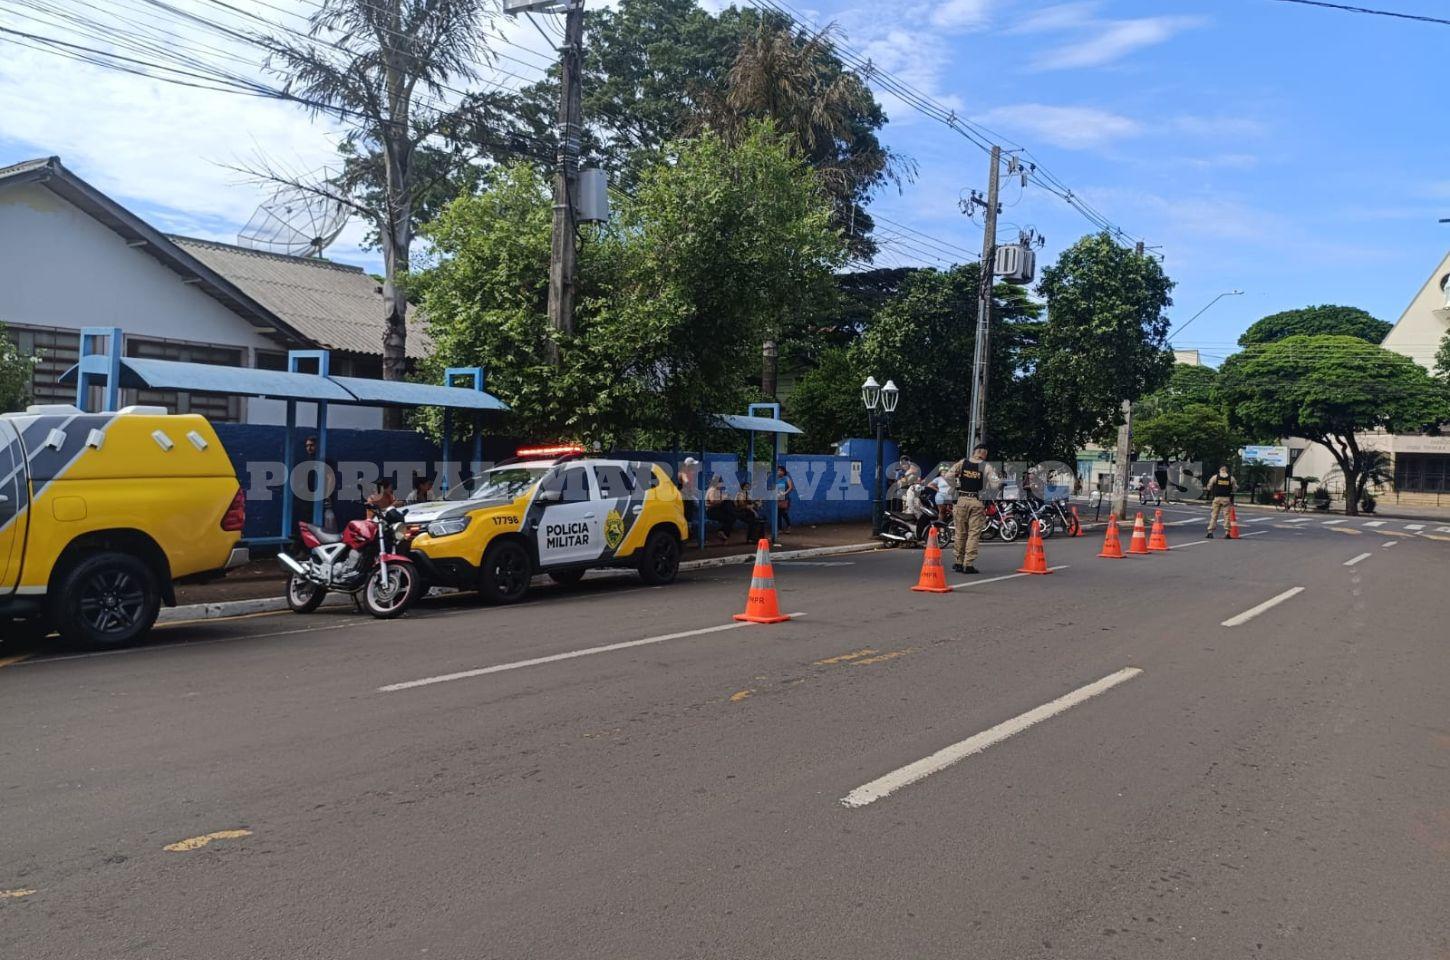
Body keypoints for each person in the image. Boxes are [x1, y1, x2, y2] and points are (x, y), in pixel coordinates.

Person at [948, 444, 996, 574]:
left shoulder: (963, 463)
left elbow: (948, 476)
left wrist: (954, 487)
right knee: (973, 533)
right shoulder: (986, 466)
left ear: (974, 452)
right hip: (976, 502)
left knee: (960, 533)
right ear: (984, 454)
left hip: (961, 500)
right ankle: (968, 564)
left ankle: (958, 562)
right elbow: (995, 484)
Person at [1205, 465, 1237, 538]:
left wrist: (1211, 490)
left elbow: (1209, 486)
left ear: (1220, 470)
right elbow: (1235, 488)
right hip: (1226, 499)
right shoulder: (1231, 478)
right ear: (1226, 471)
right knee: (1227, 516)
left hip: (1217, 498)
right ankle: (1227, 532)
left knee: (1214, 515)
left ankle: (1210, 532)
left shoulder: (1215, 477)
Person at [704, 475, 734, 541]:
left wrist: (724, 497)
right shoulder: (712, 490)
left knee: (731, 516)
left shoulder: (717, 490)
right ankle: (722, 532)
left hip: (717, 510)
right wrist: (722, 499)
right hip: (711, 511)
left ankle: (723, 532)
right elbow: (713, 501)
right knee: (730, 516)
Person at [774, 464, 795, 532]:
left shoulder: (786, 478)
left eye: (780, 470)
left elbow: (791, 487)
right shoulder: (776, 479)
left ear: (783, 472)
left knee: (784, 513)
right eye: (778, 470)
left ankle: (789, 526)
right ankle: (779, 529)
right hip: (778, 498)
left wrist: (785, 493)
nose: (779, 472)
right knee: (778, 514)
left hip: (785, 499)